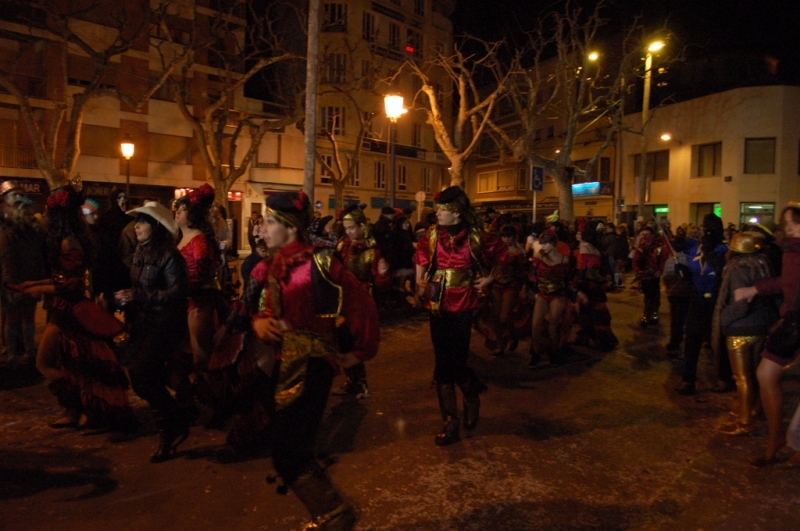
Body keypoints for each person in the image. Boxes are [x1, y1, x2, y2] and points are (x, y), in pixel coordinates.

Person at [253, 190, 378, 530]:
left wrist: (360, 351)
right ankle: (329, 514)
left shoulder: (320, 263)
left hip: (312, 366)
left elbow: (361, 304)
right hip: (285, 365)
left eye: (268, 221)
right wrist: (260, 322)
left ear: (290, 227)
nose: (262, 227)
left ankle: (336, 514)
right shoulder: (276, 265)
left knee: (288, 452)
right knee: (290, 448)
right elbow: (266, 310)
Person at [21, 185, 137, 431]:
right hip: (65, 307)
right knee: (66, 363)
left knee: (45, 362)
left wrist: (39, 289)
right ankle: (75, 410)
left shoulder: (68, 241)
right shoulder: (69, 239)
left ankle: (84, 406)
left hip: (71, 310)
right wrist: (35, 283)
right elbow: (63, 277)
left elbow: (71, 283)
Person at [415, 186, 508, 446]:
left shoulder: (477, 236)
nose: (438, 214)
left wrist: (489, 279)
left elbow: (502, 253)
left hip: (464, 301)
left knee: (456, 358)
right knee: (441, 360)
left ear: (456, 213)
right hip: (436, 300)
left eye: (442, 210)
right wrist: (418, 283)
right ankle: (451, 422)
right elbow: (421, 256)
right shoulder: (433, 235)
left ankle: (471, 392)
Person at [114, 201, 190, 462]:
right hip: (143, 324)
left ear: (156, 226)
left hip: (165, 325)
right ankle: (174, 423)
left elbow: (178, 294)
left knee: (141, 373)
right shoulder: (139, 251)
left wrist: (139, 297)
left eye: (143, 221)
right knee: (145, 377)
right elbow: (139, 288)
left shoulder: (170, 255)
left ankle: (173, 424)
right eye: (137, 221)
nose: (137, 226)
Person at [735, 204, 800, 465]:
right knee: (765, 374)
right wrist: (754, 290)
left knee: (765, 374)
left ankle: (783, 442)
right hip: (792, 321)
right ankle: (777, 441)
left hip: (795, 322)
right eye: (786, 225)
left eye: (792, 224)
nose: (787, 229)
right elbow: (787, 283)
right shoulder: (791, 251)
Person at [714, 231, 777, 436]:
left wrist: (722, 317)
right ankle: (751, 409)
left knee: (741, 378)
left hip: (740, 330)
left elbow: (741, 304)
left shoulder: (737, 269)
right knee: (753, 375)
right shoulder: (762, 265)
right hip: (761, 327)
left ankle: (743, 420)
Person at [334, 203, 390, 399]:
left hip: (361, 301)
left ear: (361, 226)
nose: (349, 232)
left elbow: (381, 284)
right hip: (343, 298)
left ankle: (361, 383)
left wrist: (383, 275)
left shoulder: (373, 251)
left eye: (352, 228)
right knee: (343, 341)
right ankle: (352, 381)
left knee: (357, 341)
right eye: (346, 228)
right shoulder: (342, 246)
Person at [675, 213, 729, 395]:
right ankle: (688, 379)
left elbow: (722, 273)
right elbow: (693, 267)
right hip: (697, 299)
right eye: (705, 229)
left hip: (716, 302)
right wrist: (686, 273)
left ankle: (724, 378)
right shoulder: (697, 248)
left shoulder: (724, 250)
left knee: (718, 342)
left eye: (711, 230)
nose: (707, 233)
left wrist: (713, 254)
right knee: (691, 339)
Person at [174, 185, 223, 370]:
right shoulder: (182, 238)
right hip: (183, 302)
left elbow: (204, 275)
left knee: (201, 360)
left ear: (193, 213)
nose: (177, 211)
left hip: (198, 305)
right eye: (177, 207)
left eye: (183, 208)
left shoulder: (199, 240)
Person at [0, 200, 46, 367]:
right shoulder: (9, 235)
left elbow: (39, 258)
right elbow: (7, 260)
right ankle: (11, 353)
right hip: (15, 283)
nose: (30, 217)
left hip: (30, 281)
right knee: (12, 317)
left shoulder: (33, 235)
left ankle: (30, 351)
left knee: (29, 317)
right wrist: (11, 283)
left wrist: (39, 280)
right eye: (27, 214)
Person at [528, 228, 571, 367]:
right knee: (535, 324)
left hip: (558, 294)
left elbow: (568, 280)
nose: (543, 246)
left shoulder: (564, 260)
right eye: (541, 243)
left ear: (554, 243)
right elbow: (532, 275)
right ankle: (535, 353)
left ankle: (555, 353)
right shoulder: (539, 256)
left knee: (553, 325)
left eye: (545, 243)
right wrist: (532, 290)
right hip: (542, 293)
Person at [573, 220, 618, 352]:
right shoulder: (596, 247)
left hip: (588, 284)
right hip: (597, 285)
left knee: (586, 313)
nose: (577, 234)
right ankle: (601, 339)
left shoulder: (585, 247)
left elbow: (582, 269)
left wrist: (579, 288)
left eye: (580, 232)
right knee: (599, 313)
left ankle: (591, 338)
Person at [486, 223, 527, 356]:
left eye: (509, 236)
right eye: (503, 236)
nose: (506, 239)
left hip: (511, 284)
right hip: (496, 284)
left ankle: (513, 335)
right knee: (495, 317)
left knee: (504, 316)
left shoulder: (519, 251)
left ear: (513, 236)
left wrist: (524, 288)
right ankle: (500, 344)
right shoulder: (496, 250)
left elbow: (524, 273)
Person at [632, 225, 668, 327]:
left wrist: (660, 271)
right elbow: (635, 261)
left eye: (648, 234)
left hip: (655, 275)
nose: (645, 236)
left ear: (653, 235)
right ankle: (647, 314)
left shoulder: (659, 247)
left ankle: (653, 314)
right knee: (647, 296)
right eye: (643, 234)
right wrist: (638, 271)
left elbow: (663, 260)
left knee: (654, 295)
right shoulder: (640, 248)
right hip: (644, 276)